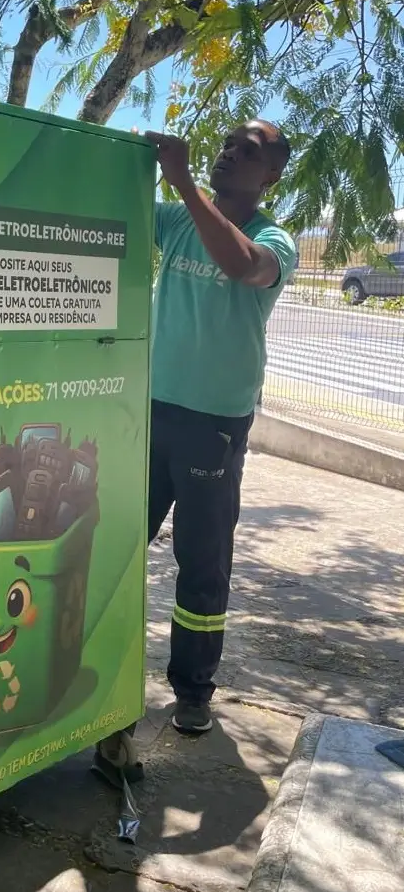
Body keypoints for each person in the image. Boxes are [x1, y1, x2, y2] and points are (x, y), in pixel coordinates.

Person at [144, 120, 297, 734]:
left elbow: (241, 265)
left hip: (214, 424)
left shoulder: (275, 240)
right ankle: (94, 669)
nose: (230, 152)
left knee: (201, 561)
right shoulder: (177, 219)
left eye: (249, 151)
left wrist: (181, 181)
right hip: (150, 410)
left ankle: (193, 690)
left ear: (272, 176)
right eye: (229, 143)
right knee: (115, 545)